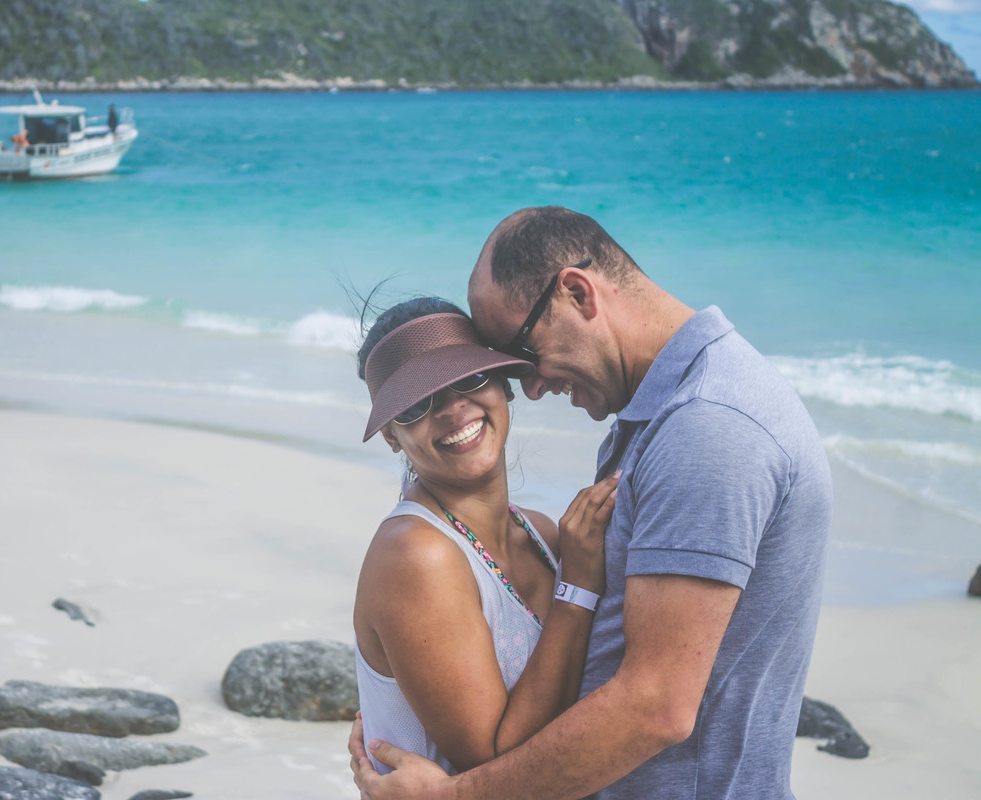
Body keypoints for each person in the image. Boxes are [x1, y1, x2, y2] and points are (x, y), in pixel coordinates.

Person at [350, 207, 834, 799]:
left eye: (484, 372)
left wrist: (449, 797)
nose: (532, 385)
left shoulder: (705, 430)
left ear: (578, 293)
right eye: (414, 406)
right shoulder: (662, 424)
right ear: (392, 435)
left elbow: (654, 705)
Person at [354, 297, 618, 777]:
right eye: (416, 404)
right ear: (392, 436)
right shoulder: (416, 555)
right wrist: (578, 587)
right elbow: (491, 760)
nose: (452, 408)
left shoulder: (542, 533)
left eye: (470, 379)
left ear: (504, 387)